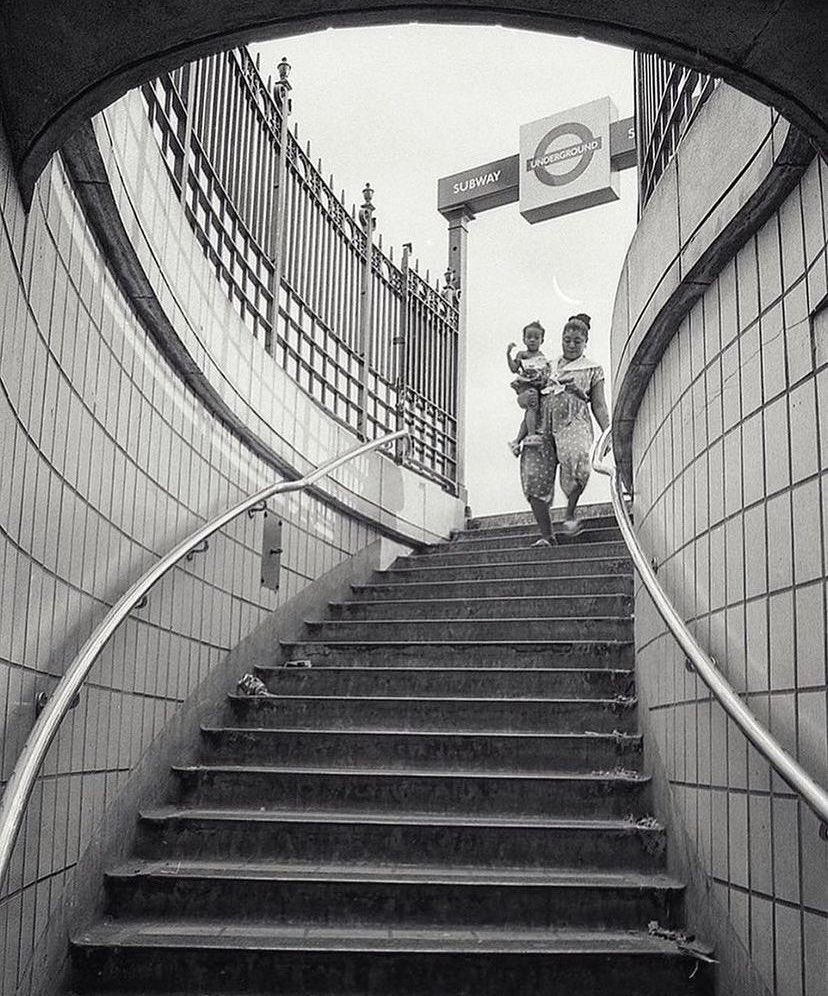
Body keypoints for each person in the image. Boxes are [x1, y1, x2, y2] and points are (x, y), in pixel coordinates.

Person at [519, 313, 610, 546]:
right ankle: (547, 536)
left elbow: (598, 404)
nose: (570, 345)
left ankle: (569, 514)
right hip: (542, 423)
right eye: (566, 340)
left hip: (573, 420)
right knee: (533, 475)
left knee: (577, 457)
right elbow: (528, 396)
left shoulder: (593, 369)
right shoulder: (547, 365)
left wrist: (608, 432)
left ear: (585, 342)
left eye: (576, 341)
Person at [506, 321, 556, 455]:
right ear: (524, 339)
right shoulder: (522, 354)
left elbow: (546, 375)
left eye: (536, 338)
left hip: (537, 389)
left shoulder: (542, 358)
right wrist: (509, 355)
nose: (532, 340)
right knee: (532, 404)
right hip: (525, 388)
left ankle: (516, 441)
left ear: (542, 340)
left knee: (530, 414)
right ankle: (532, 435)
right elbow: (514, 369)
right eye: (529, 337)